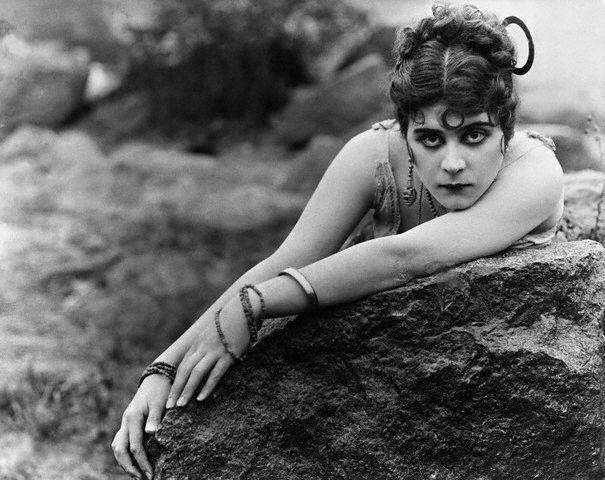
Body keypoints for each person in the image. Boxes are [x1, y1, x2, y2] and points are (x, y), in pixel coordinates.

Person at [111, 3, 564, 478]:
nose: (452, 163)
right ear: (406, 131)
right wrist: (162, 369)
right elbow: (290, 257)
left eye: (474, 135)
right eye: (429, 138)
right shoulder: (373, 154)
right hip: (384, 381)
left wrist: (254, 304)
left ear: (505, 131)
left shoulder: (534, 172)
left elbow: (407, 256)